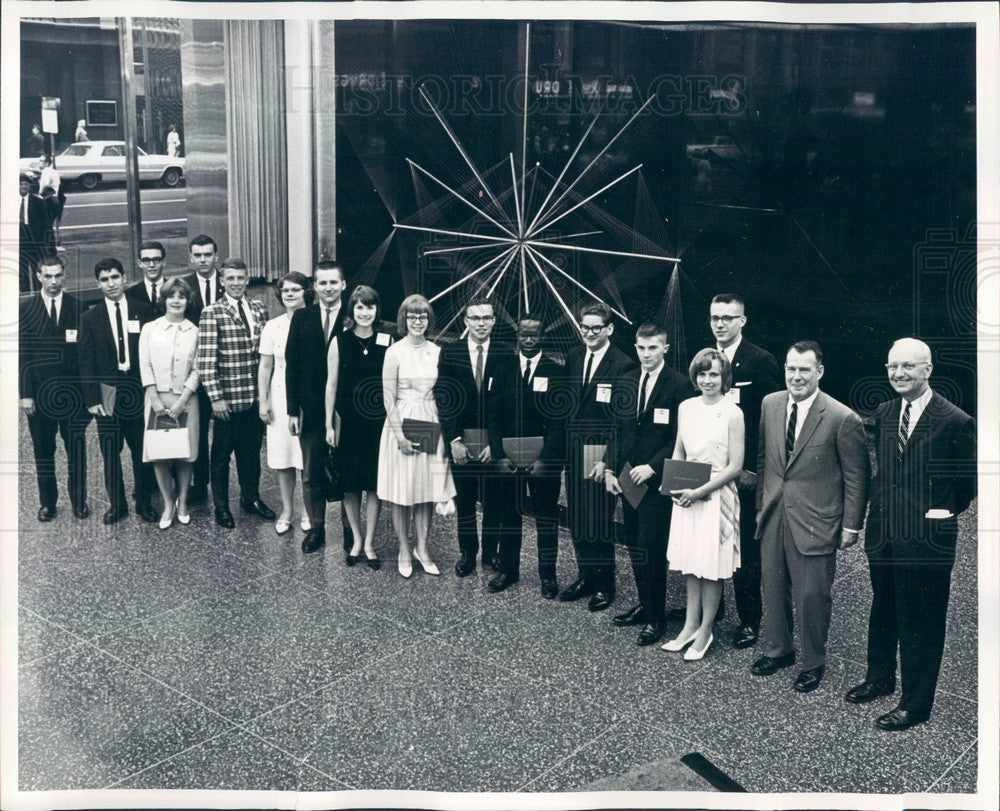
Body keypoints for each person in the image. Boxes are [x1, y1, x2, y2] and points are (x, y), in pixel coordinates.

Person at [845, 339, 976, 731]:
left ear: (928, 370)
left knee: (922, 620)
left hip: (926, 542)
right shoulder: (885, 413)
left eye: (908, 367)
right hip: (885, 534)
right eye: (892, 367)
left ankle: (915, 704)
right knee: (884, 607)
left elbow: (965, 485)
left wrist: (935, 515)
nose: (898, 374)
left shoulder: (955, 420)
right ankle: (879, 678)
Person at [751, 340, 870, 693]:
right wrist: (761, 506)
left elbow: (856, 477)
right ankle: (780, 649)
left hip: (817, 519)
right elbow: (763, 460)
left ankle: (812, 661)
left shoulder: (841, 417)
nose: (797, 376)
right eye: (791, 368)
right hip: (773, 513)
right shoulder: (770, 404)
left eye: (805, 369)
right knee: (771, 587)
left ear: (819, 371)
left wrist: (851, 525)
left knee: (811, 595)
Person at [603, 324, 693, 646]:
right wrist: (611, 470)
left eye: (653, 348)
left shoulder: (680, 385)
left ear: (665, 348)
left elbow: (678, 438)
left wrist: (652, 467)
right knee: (635, 547)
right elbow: (616, 429)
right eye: (641, 348)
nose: (646, 355)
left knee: (652, 550)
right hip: (627, 478)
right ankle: (645, 605)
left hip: (655, 481)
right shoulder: (626, 381)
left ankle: (656, 619)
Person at [660, 349, 745, 660]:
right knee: (691, 563)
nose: (708, 380)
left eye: (714, 374)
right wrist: (675, 485)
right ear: (695, 376)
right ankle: (689, 625)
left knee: (711, 567)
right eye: (703, 374)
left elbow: (735, 465)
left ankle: (706, 630)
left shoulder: (733, 412)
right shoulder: (686, 406)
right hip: (686, 494)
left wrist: (699, 491)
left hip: (716, 496)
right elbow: (680, 450)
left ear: (724, 378)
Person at [709, 293, 782, 650]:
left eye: (727, 317)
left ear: (742, 321)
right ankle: (712, 610)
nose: (720, 324)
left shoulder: (760, 361)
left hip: (744, 474)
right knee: (711, 539)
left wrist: (754, 469)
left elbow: (771, 423)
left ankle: (749, 619)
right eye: (715, 318)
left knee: (745, 550)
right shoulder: (705, 359)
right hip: (708, 470)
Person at [557, 301, 636, 611]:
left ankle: (605, 585)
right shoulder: (575, 356)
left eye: (595, 328)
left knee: (599, 519)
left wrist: (608, 460)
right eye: (584, 327)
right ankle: (586, 575)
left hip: (601, 455)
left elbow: (622, 421)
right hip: (575, 452)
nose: (589, 333)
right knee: (577, 517)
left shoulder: (623, 364)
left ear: (609, 329)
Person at [486, 314, 565, 597]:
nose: (529, 339)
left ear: (543, 336)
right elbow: (492, 416)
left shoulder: (556, 371)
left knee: (546, 517)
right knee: (509, 516)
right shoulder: (503, 367)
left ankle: (548, 575)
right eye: (524, 334)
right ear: (516, 336)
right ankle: (508, 570)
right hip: (509, 460)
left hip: (544, 462)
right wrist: (498, 455)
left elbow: (559, 421)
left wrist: (546, 458)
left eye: (534, 334)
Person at [377, 295, 456, 578]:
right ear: (404, 320)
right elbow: (388, 398)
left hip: (430, 420)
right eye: (412, 316)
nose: (418, 321)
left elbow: (443, 394)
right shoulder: (394, 352)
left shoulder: (437, 351)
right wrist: (399, 436)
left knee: (424, 492)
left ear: (429, 320)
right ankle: (403, 548)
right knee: (401, 492)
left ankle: (422, 548)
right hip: (401, 422)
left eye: (422, 316)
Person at [436, 296, 515, 577]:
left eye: (486, 318)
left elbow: (510, 402)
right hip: (462, 442)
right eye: (475, 318)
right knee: (466, 501)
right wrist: (454, 440)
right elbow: (444, 399)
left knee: (494, 502)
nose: (481, 323)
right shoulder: (451, 352)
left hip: (492, 445)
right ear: (466, 321)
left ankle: (490, 553)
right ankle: (468, 553)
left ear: (494, 321)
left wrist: (497, 445)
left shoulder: (507, 354)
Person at [195, 258, 274, 528]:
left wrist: (264, 397)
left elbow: (265, 355)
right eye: (230, 279)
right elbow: (205, 361)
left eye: (240, 278)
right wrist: (216, 398)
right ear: (222, 281)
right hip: (226, 401)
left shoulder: (259, 309)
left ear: (247, 279)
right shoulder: (212, 312)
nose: (236, 283)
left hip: (253, 399)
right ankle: (221, 506)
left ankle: (250, 498)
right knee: (220, 457)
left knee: (251, 453)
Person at [78, 258, 158, 524]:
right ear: (98, 284)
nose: (111, 283)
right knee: (110, 452)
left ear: (124, 278)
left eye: (115, 277)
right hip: (107, 392)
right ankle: (117, 505)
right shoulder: (89, 317)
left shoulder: (143, 311)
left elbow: (152, 354)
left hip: (136, 389)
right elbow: (86, 361)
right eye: (104, 279)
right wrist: (92, 399)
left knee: (141, 451)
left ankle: (144, 502)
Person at [285, 261, 354, 553]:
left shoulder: (357, 316)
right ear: (314, 287)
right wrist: (292, 410)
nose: (328, 288)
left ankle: (352, 530)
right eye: (322, 283)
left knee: (349, 471)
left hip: (348, 411)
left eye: (333, 282)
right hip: (310, 409)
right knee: (312, 472)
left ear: (343, 285)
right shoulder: (302, 317)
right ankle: (316, 528)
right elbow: (292, 365)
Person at [19, 254, 93, 521]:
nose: (53, 281)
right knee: (43, 450)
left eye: (57, 275)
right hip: (39, 395)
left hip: (72, 395)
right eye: (47, 276)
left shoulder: (78, 307)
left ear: (65, 276)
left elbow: (85, 357)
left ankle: (79, 501)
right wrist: (25, 394)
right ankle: (48, 502)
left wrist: (88, 396)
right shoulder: (26, 309)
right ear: (39, 276)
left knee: (76, 450)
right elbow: (23, 355)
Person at [327, 285, 392, 567]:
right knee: (350, 485)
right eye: (359, 307)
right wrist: (328, 423)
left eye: (370, 306)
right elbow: (330, 385)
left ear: (377, 310)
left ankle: (369, 542)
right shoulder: (339, 341)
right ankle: (355, 538)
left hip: (378, 424)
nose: (365, 312)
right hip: (348, 423)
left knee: (374, 486)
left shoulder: (388, 340)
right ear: (351, 310)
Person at [138, 278, 200, 529]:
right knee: (160, 454)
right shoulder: (150, 329)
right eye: (171, 296)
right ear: (163, 300)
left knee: (185, 454)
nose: (176, 300)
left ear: (188, 300)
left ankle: (183, 501)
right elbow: (145, 364)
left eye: (181, 296)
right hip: (157, 400)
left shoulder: (195, 331)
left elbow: (198, 369)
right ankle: (167, 503)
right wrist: (154, 398)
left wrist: (183, 399)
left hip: (186, 400)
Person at [258, 272, 311, 534]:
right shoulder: (273, 326)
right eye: (285, 290)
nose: (289, 294)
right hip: (279, 397)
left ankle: (307, 511)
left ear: (305, 292)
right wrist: (263, 400)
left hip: (307, 397)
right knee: (284, 457)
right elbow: (265, 365)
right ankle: (288, 510)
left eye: (295, 290)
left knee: (306, 458)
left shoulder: (315, 321)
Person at [182, 234, 224, 503]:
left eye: (207, 254)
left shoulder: (229, 282)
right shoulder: (182, 286)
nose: (203, 260)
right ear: (191, 257)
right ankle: (199, 482)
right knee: (195, 431)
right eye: (197, 255)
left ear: (215, 256)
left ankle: (223, 484)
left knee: (223, 433)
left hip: (223, 371)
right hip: (195, 370)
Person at [18, 174, 50, 292]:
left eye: (26, 184)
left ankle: (39, 298)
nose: (23, 186)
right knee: (22, 273)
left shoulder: (38, 202)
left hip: (35, 241)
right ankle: (25, 300)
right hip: (19, 241)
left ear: (30, 186)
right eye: (21, 184)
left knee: (37, 272)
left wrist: (49, 246)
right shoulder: (9, 202)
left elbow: (46, 224)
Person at [127, 241, 168, 315]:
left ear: (163, 262)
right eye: (146, 260)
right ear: (140, 263)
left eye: (156, 259)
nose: (152, 265)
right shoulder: (130, 294)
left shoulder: (173, 289)